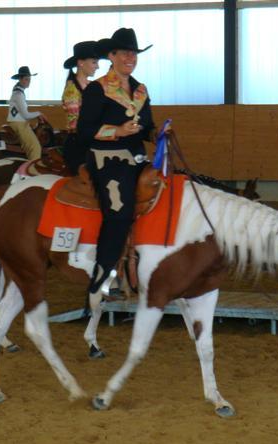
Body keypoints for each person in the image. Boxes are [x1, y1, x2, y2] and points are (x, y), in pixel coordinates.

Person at [77, 27, 170, 296]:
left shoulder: (140, 90)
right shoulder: (98, 90)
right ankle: (102, 277)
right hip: (106, 160)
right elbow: (84, 131)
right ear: (112, 55)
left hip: (138, 158)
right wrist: (116, 131)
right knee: (118, 213)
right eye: (125, 53)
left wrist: (158, 134)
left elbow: (148, 125)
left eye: (134, 53)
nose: (130, 58)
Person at [62, 41, 101, 174]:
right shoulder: (72, 90)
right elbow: (76, 124)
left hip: (91, 139)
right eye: (94, 62)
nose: (98, 67)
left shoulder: (92, 86)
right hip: (79, 144)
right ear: (80, 63)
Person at [7, 66, 47, 162]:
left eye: (29, 79)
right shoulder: (18, 95)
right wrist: (39, 113)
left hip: (19, 122)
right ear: (20, 79)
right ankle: (32, 170)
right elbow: (26, 115)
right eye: (26, 79)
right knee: (36, 148)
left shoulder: (18, 93)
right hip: (19, 123)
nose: (28, 81)